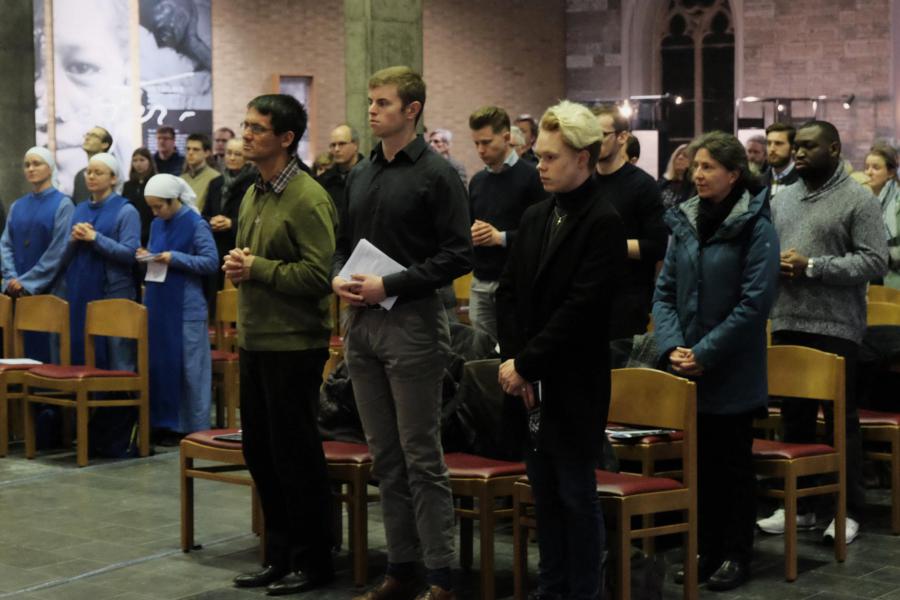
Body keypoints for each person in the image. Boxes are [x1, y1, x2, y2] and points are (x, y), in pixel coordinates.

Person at [332, 66, 471, 600]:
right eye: (370, 102)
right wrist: (339, 277)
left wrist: (389, 283)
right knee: (383, 456)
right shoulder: (362, 172)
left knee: (420, 455)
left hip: (412, 323)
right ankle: (402, 567)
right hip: (362, 323)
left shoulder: (438, 174)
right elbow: (344, 244)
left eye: (382, 103)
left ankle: (442, 575)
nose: (371, 110)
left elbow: (458, 255)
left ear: (411, 110)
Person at [496, 100, 626, 600]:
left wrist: (526, 362)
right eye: (539, 156)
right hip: (529, 379)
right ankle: (550, 587)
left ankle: (584, 591)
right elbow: (509, 292)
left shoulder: (603, 221)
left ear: (584, 158)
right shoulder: (535, 215)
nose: (541, 165)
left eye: (551, 157)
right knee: (543, 493)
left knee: (575, 493)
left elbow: (583, 309)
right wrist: (515, 362)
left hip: (574, 380)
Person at [653, 131, 781, 591]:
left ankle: (735, 553)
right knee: (701, 466)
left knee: (733, 467)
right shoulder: (685, 221)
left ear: (733, 174)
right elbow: (665, 291)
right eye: (696, 166)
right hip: (688, 367)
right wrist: (672, 348)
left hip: (732, 368)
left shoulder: (756, 226)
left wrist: (705, 352)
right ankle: (705, 549)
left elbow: (754, 303)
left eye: (708, 167)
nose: (698, 173)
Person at [225, 94, 337, 596]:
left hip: (294, 344)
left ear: (286, 139)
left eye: (257, 128)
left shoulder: (308, 197)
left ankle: (314, 562)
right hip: (255, 340)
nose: (246, 134)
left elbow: (319, 275)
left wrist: (258, 269)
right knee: (261, 452)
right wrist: (239, 267)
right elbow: (254, 261)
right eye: (245, 125)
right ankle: (279, 554)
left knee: (296, 456)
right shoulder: (254, 192)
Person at [758, 120, 888, 545]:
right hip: (788, 319)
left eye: (808, 147)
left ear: (833, 149)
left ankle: (848, 510)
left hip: (837, 325)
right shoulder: (786, 197)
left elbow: (874, 261)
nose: (798, 153)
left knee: (839, 421)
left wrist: (813, 266)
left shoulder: (857, 199)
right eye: (796, 146)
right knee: (794, 417)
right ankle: (802, 507)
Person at [140, 174, 218, 443]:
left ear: (174, 201)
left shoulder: (196, 224)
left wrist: (176, 258)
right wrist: (147, 256)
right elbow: (156, 252)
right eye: (151, 207)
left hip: (186, 306)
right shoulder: (156, 223)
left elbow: (210, 262)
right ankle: (164, 422)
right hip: (159, 301)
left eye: (159, 206)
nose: (155, 212)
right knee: (161, 364)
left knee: (189, 368)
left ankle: (192, 426)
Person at [35, 0, 133, 199]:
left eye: (82, 68)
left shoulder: (123, 184)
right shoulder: (81, 178)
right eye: (36, 73)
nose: (51, 110)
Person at [467, 105, 545, 342]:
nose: (481, 150)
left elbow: (542, 232)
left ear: (507, 138)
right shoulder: (478, 181)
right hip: (481, 280)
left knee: (515, 349)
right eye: (476, 143)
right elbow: (469, 224)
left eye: (487, 142)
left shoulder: (533, 177)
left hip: (516, 282)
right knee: (482, 355)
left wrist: (500, 237)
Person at [592, 105, 667, 339]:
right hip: (587, 296)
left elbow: (656, 246)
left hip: (627, 301)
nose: (594, 143)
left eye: (601, 136)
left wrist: (611, 246)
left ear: (622, 137)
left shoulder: (643, 185)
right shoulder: (582, 182)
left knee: (621, 373)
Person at [62, 152, 140, 371]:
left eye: (98, 172)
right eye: (89, 171)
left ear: (113, 178)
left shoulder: (126, 210)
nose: (91, 176)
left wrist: (95, 238)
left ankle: (121, 404)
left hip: (113, 290)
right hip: (81, 288)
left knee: (117, 353)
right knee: (84, 349)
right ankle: (91, 404)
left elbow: (129, 253)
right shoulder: (79, 209)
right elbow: (64, 257)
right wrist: (73, 240)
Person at [1, 147, 75, 361]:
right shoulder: (17, 206)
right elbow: (5, 244)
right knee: (21, 348)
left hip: (50, 289)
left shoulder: (63, 204)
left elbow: (59, 250)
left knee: (49, 350)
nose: (31, 169)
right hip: (17, 290)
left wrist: (28, 282)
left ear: (50, 168)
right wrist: (10, 278)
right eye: (27, 165)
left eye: (37, 164)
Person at [204, 138, 256, 307]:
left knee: (235, 304)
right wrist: (212, 221)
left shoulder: (255, 183)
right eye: (229, 153)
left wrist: (231, 223)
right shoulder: (215, 183)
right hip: (216, 248)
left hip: (241, 247)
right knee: (216, 301)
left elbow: (257, 219)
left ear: (247, 157)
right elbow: (204, 214)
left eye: (238, 154)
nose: (232, 158)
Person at [864, 142, 900, 289]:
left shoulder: (897, 203)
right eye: (866, 167)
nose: (869, 172)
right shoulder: (868, 201)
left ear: (891, 172)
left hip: (894, 280)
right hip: (870, 278)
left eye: (876, 168)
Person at [318, 124, 363, 212]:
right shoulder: (324, 181)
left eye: (342, 144)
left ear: (355, 145)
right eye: (333, 145)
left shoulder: (370, 175)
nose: (337, 149)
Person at [122, 147, 157, 246]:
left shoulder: (155, 182)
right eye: (135, 160)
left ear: (149, 162)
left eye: (142, 160)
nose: (138, 164)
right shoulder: (128, 185)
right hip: (132, 230)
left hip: (150, 229)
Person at [180, 133, 221, 213]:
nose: (190, 153)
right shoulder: (181, 179)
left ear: (207, 153)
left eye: (196, 149)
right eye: (188, 149)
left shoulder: (216, 178)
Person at [72, 127, 113, 205]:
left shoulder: (113, 171)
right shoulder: (80, 175)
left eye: (94, 136)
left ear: (105, 144)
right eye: (87, 135)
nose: (87, 138)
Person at [765, 123, 798, 198]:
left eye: (778, 143)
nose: (772, 149)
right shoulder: (758, 182)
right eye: (769, 143)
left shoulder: (804, 181)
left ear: (793, 148)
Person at [659, 143, 690, 208]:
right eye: (677, 155)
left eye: (685, 155)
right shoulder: (663, 183)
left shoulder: (694, 187)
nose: (680, 157)